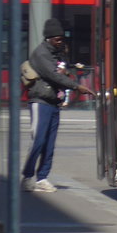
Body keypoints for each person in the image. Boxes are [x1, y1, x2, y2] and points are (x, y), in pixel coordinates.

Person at [22, 19, 95, 192]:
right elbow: (53, 75)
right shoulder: (41, 54)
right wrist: (77, 86)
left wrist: (66, 70)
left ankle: (42, 178)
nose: (61, 41)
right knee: (38, 140)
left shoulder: (58, 53)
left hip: (54, 102)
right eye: (57, 39)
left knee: (50, 143)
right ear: (48, 38)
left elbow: (62, 72)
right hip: (40, 101)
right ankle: (27, 177)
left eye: (62, 38)